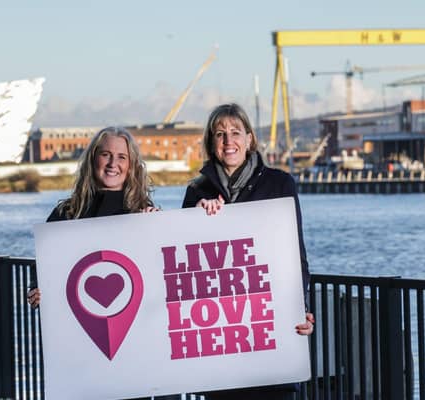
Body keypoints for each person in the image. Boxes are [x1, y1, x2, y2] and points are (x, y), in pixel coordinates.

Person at [27, 126, 179, 400]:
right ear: (93, 159)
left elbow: (165, 278)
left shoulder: (143, 213)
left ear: (131, 165)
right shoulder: (66, 214)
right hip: (81, 353)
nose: (113, 164)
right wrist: (37, 292)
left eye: (121, 157)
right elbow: (42, 272)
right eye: (106, 155)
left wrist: (157, 230)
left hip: (133, 352)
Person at [182, 103, 314, 400]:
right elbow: (189, 266)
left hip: (269, 330)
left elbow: (295, 254)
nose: (229, 141)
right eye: (220, 134)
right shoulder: (197, 190)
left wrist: (300, 306)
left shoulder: (279, 183)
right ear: (211, 143)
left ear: (250, 139)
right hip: (222, 336)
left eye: (235, 132)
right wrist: (196, 219)